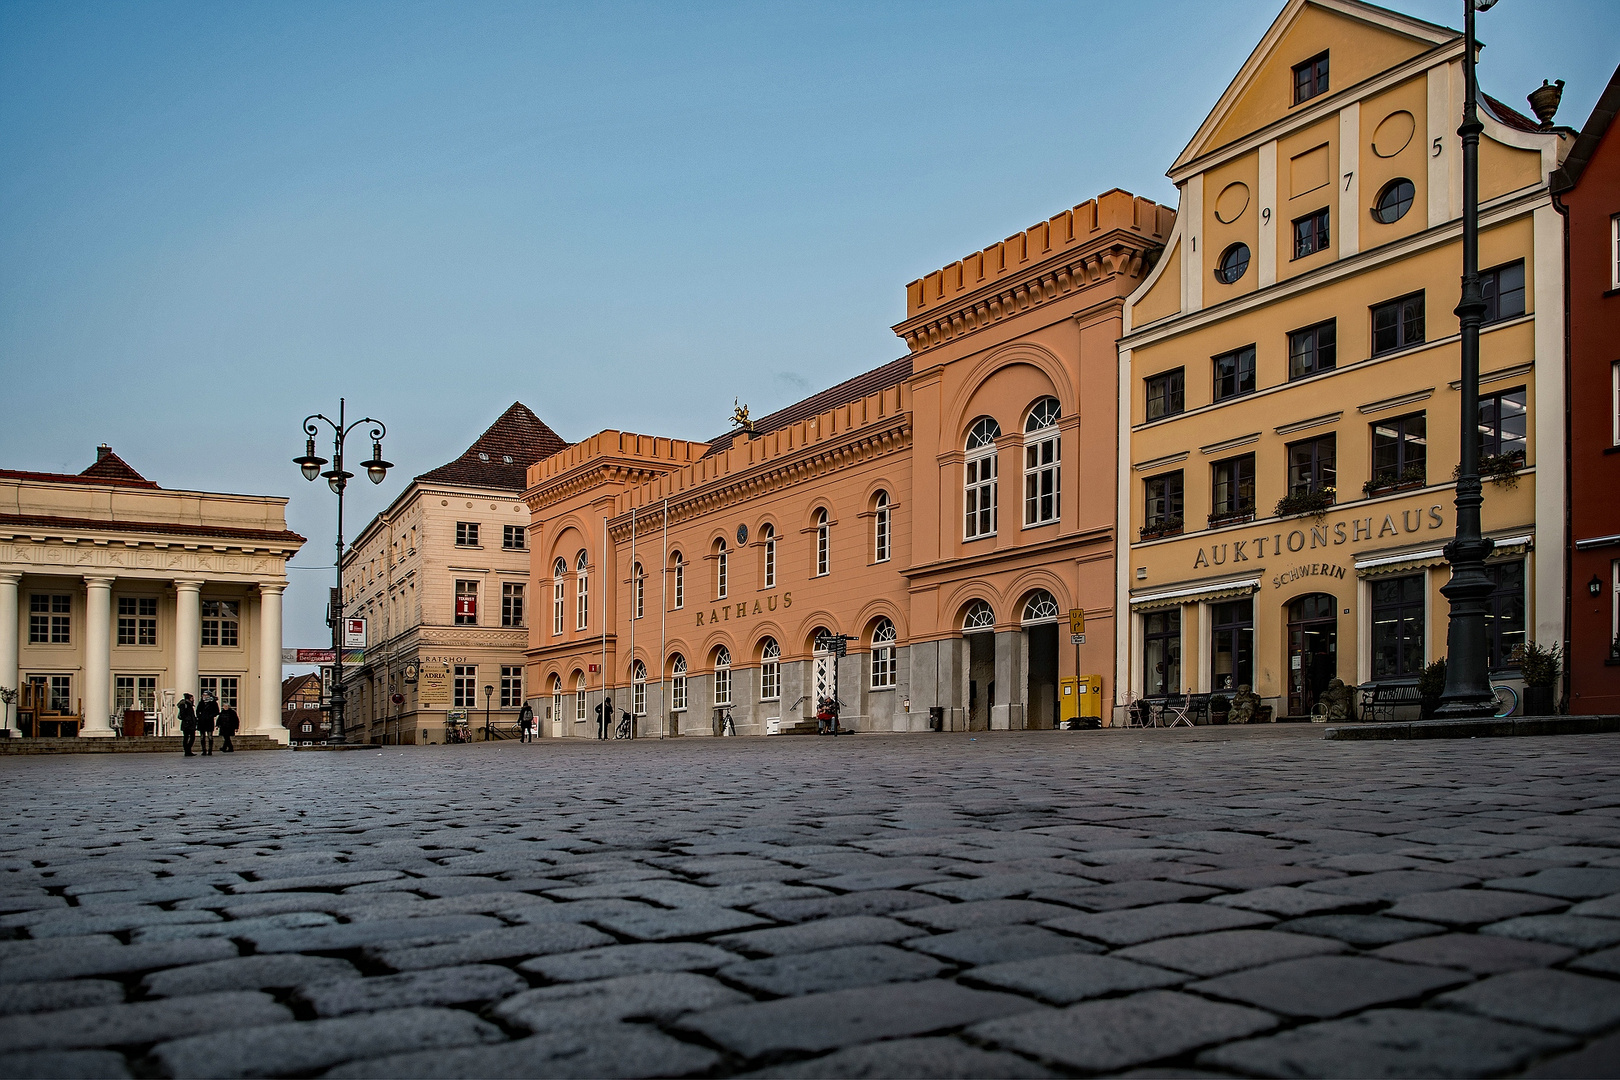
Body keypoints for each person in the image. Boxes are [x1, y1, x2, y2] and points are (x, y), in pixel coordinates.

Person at [196, 691, 220, 756]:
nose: (204, 696)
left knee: (210, 736)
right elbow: (197, 711)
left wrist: (210, 716)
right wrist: (199, 716)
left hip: (209, 721)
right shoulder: (201, 702)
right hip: (202, 721)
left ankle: (210, 750)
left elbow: (217, 711)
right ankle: (204, 750)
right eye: (203, 695)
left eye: (206, 695)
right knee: (202, 737)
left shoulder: (213, 703)